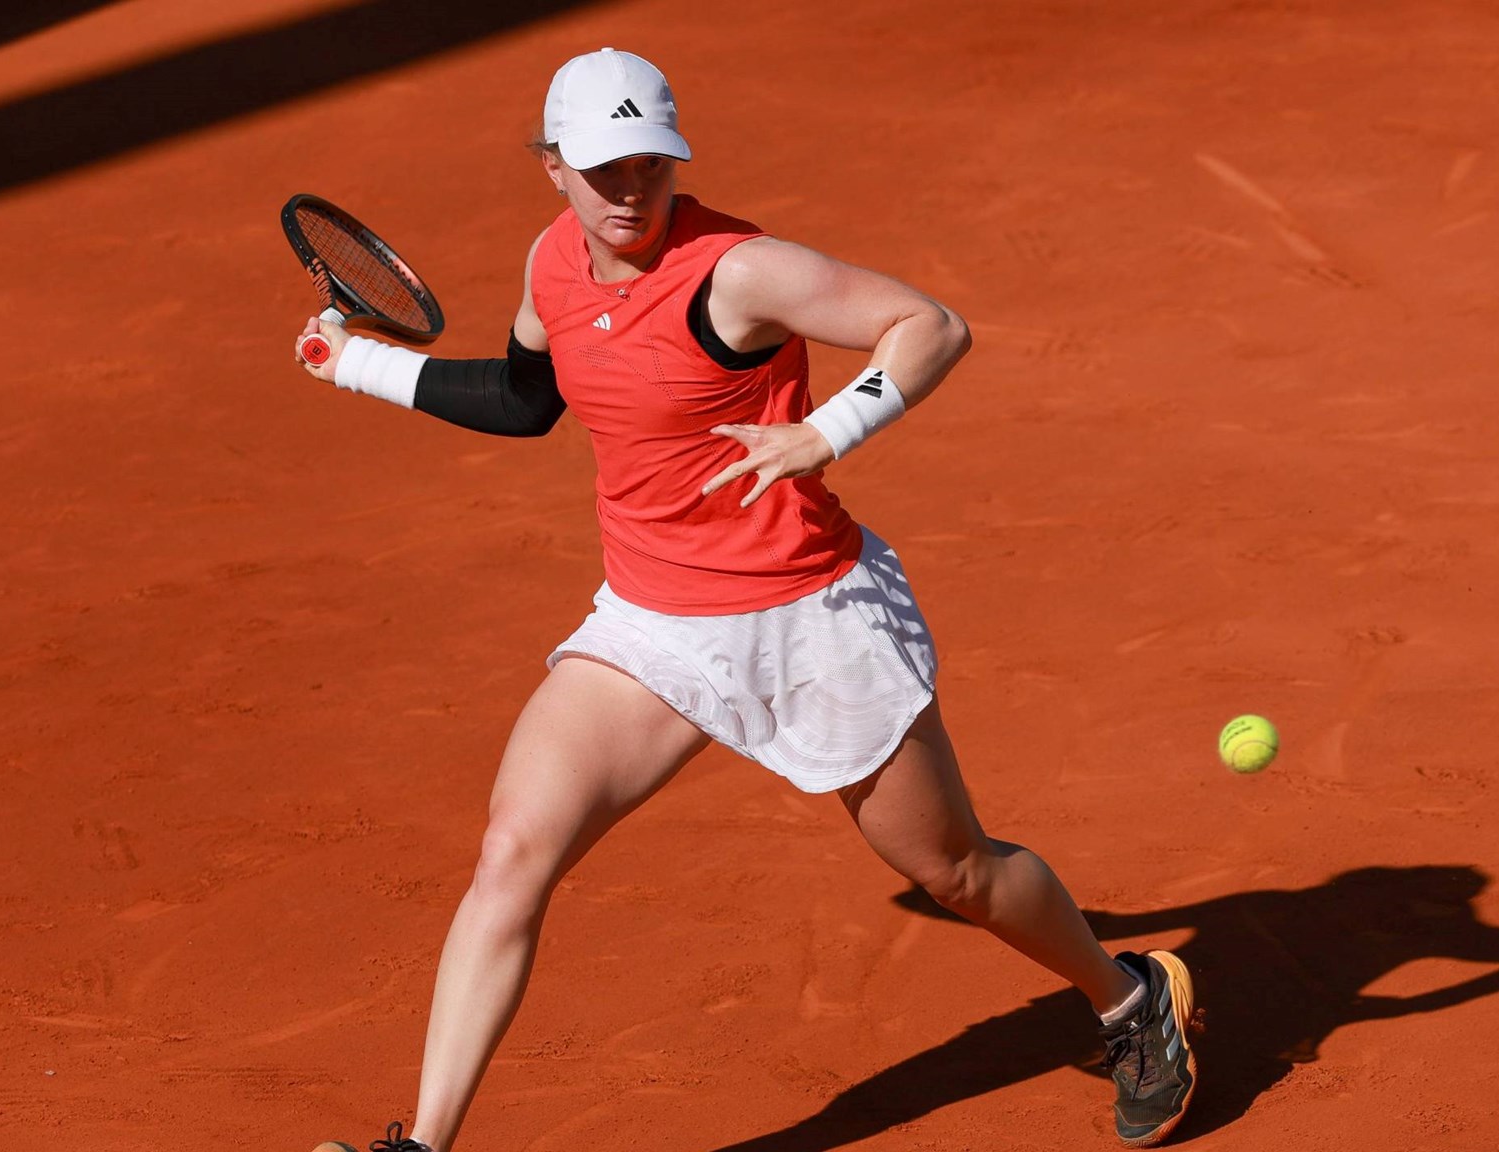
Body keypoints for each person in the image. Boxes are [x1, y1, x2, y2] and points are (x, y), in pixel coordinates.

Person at [294, 48, 1199, 1151]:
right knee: (512, 851)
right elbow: (526, 398)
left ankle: (1125, 998)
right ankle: (421, 1148)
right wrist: (357, 366)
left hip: (809, 618)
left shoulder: (737, 272)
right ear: (552, 170)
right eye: (600, 170)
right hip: (652, 626)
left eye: (648, 166)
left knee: (953, 868)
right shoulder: (551, 268)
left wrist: (826, 430)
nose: (629, 191)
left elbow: (931, 326)